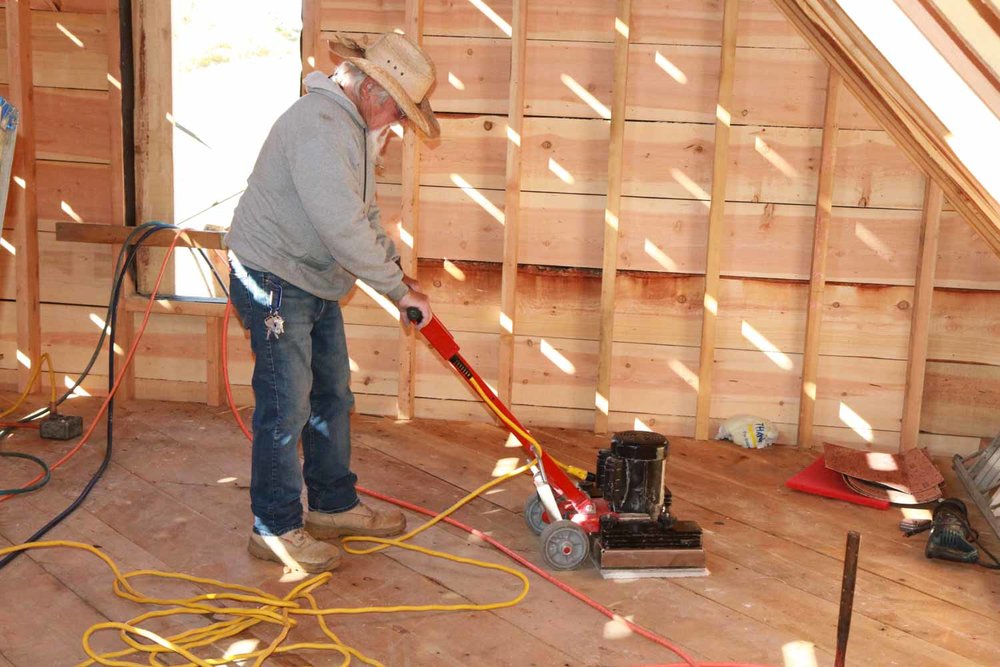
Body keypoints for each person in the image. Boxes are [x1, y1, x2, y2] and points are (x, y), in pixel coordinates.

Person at [226, 33, 438, 573]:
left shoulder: (351, 129)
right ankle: (273, 528)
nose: (397, 120)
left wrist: (397, 272)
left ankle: (331, 505)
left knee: (332, 398)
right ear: (369, 87)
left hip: (312, 279)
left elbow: (362, 214)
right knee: (286, 407)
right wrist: (397, 290)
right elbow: (342, 228)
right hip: (274, 278)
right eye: (395, 107)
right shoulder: (319, 128)